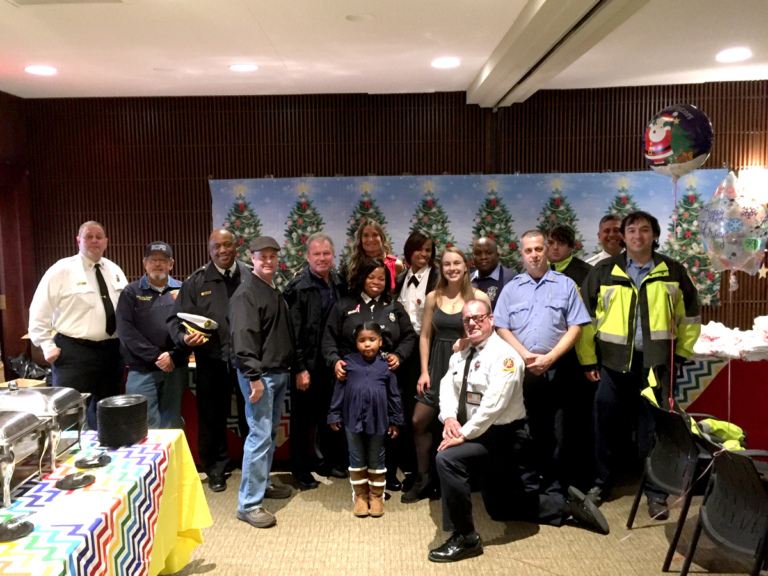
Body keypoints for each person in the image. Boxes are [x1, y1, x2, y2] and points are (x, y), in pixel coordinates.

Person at [428, 300, 609, 563]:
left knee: (447, 459)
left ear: (490, 320)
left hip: (505, 437)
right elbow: (447, 386)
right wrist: (448, 420)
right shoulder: (462, 353)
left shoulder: (505, 357)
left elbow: (493, 406)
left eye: (478, 317)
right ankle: (563, 506)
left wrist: (462, 434)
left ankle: (465, 539)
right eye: (467, 320)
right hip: (478, 432)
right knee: (499, 508)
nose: (472, 323)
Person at [578, 211, 701, 520]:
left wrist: (681, 355)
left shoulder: (673, 271)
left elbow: (690, 318)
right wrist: (589, 359)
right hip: (612, 366)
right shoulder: (603, 271)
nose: (637, 236)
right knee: (604, 427)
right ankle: (600, 484)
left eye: (644, 230)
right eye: (631, 230)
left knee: (654, 433)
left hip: (656, 367)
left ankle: (656, 493)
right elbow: (585, 321)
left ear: (654, 235)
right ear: (624, 236)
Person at [494, 230, 591, 493]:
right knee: (528, 428)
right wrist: (525, 355)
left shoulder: (566, 285)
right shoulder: (511, 289)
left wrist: (550, 357)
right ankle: (531, 482)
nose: (534, 255)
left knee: (561, 430)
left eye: (538, 249)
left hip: (559, 368)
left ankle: (556, 486)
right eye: (528, 251)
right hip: (523, 371)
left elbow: (575, 327)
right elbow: (501, 326)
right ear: (521, 254)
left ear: (546, 250)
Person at [402, 248, 491, 503]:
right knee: (419, 420)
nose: (452, 268)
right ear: (441, 268)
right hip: (437, 365)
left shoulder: (479, 296)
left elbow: (488, 332)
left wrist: (468, 340)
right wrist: (423, 371)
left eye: (457, 263)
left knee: (460, 423)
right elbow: (425, 335)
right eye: (446, 264)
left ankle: (455, 479)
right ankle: (423, 478)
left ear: (466, 266)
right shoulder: (433, 296)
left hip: (467, 366)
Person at [168, 229, 250, 493]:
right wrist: (183, 338)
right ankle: (215, 468)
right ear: (209, 249)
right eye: (217, 246)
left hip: (247, 360)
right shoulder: (196, 281)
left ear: (236, 246)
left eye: (227, 244)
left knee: (253, 417)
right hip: (211, 360)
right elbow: (175, 320)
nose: (222, 250)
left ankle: (255, 469)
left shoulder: (251, 276)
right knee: (211, 417)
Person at [28, 221, 128, 429]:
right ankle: (71, 460)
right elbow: (39, 310)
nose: (94, 241)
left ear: (106, 242)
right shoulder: (62, 270)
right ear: (78, 240)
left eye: (98, 236)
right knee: (70, 416)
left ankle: (105, 458)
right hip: (74, 353)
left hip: (111, 353)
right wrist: (46, 345)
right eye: (88, 236)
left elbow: (127, 310)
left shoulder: (115, 270)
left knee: (109, 415)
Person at [230, 236, 295, 529]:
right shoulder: (247, 293)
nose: (267, 261)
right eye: (262, 256)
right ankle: (249, 504)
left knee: (268, 435)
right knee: (258, 436)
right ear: (251, 259)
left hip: (277, 372)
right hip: (260, 376)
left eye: (272, 256)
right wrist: (253, 376)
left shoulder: (271, 289)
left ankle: (263, 483)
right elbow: (243, 338)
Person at [282, 232, 348, 489]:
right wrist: (299, 369)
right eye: (316, 254)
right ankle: (300, 471)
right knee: (302, 423)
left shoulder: (340, 284)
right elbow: (293, 334)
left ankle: (328, 462)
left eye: (326, 253)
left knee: (328, 418)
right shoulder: (298, 288)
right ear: (307, 257)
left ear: (333, 256)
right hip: (306, 367)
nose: (322, 258)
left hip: (332, 365)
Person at [328, 322, 403, 517]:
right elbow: (339, 390)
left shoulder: (386, 364)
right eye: (362, 340)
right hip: (352, 419)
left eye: (371, 340)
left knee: (376, 456)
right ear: (355, 342)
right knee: (356, 456)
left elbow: (394, 395)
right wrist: (334, 413)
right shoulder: (348, 362)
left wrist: (396, 419)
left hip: (379, 420)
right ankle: (360, 496)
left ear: (380, 341)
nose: (367, 344)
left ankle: (376, 496)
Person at [116, 241, 187, 429]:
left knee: (172, 424)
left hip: (175, 368)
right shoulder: (131, 292)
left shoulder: (183, 290)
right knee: (143, 425)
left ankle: (171, 459)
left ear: (171, 264)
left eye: (163, 260)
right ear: (144, 263)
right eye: (153, 260)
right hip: (142, 370)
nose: (158, 264)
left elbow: (189, 328)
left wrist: (173, 356)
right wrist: (156, 356)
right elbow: (125, 331)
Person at [322, 258, 416, 398]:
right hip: (350, 379)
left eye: (381, 278)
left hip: (386, 380)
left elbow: (409, 336)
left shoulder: (394, 307)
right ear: (362, 278)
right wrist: (335, 361)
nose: (376, 282)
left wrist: (398, 355)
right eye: (370, 277)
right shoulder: (344, 305)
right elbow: (329, 338)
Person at [545, 224, 595, 488]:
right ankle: (552, 473)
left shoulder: (584, 273)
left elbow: (587, 324)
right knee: (549, 419)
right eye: (550, 242)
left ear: (571, 246)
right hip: (543, 357)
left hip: (574, 358)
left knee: (573, 420)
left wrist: (588, 362)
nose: (554, 248)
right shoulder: (538, 272)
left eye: (560, 243)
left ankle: (574, 479)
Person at [390, 229, 439, 491]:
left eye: (429, 249)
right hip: (404, 351)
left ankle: (430, 473)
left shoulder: (437, 278)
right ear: (409, 251)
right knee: (407, 409)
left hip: (429, 352)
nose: (424, 254)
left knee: (426, 412)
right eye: (419, 249)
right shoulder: (399, 279)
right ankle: (412, 467)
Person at [342, 220, 404, 290]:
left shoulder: (395, 265)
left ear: (381, 238)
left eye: (375, 235)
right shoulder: (351, 267)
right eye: (365, 235)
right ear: (360, 239)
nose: (371, 239)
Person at [470, 237, 517, 310]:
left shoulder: (512, 279)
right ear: (473, 257)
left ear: (497, 255)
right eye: (478, 253)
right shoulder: (468, 281)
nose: (483, 257)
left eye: (488, 253)